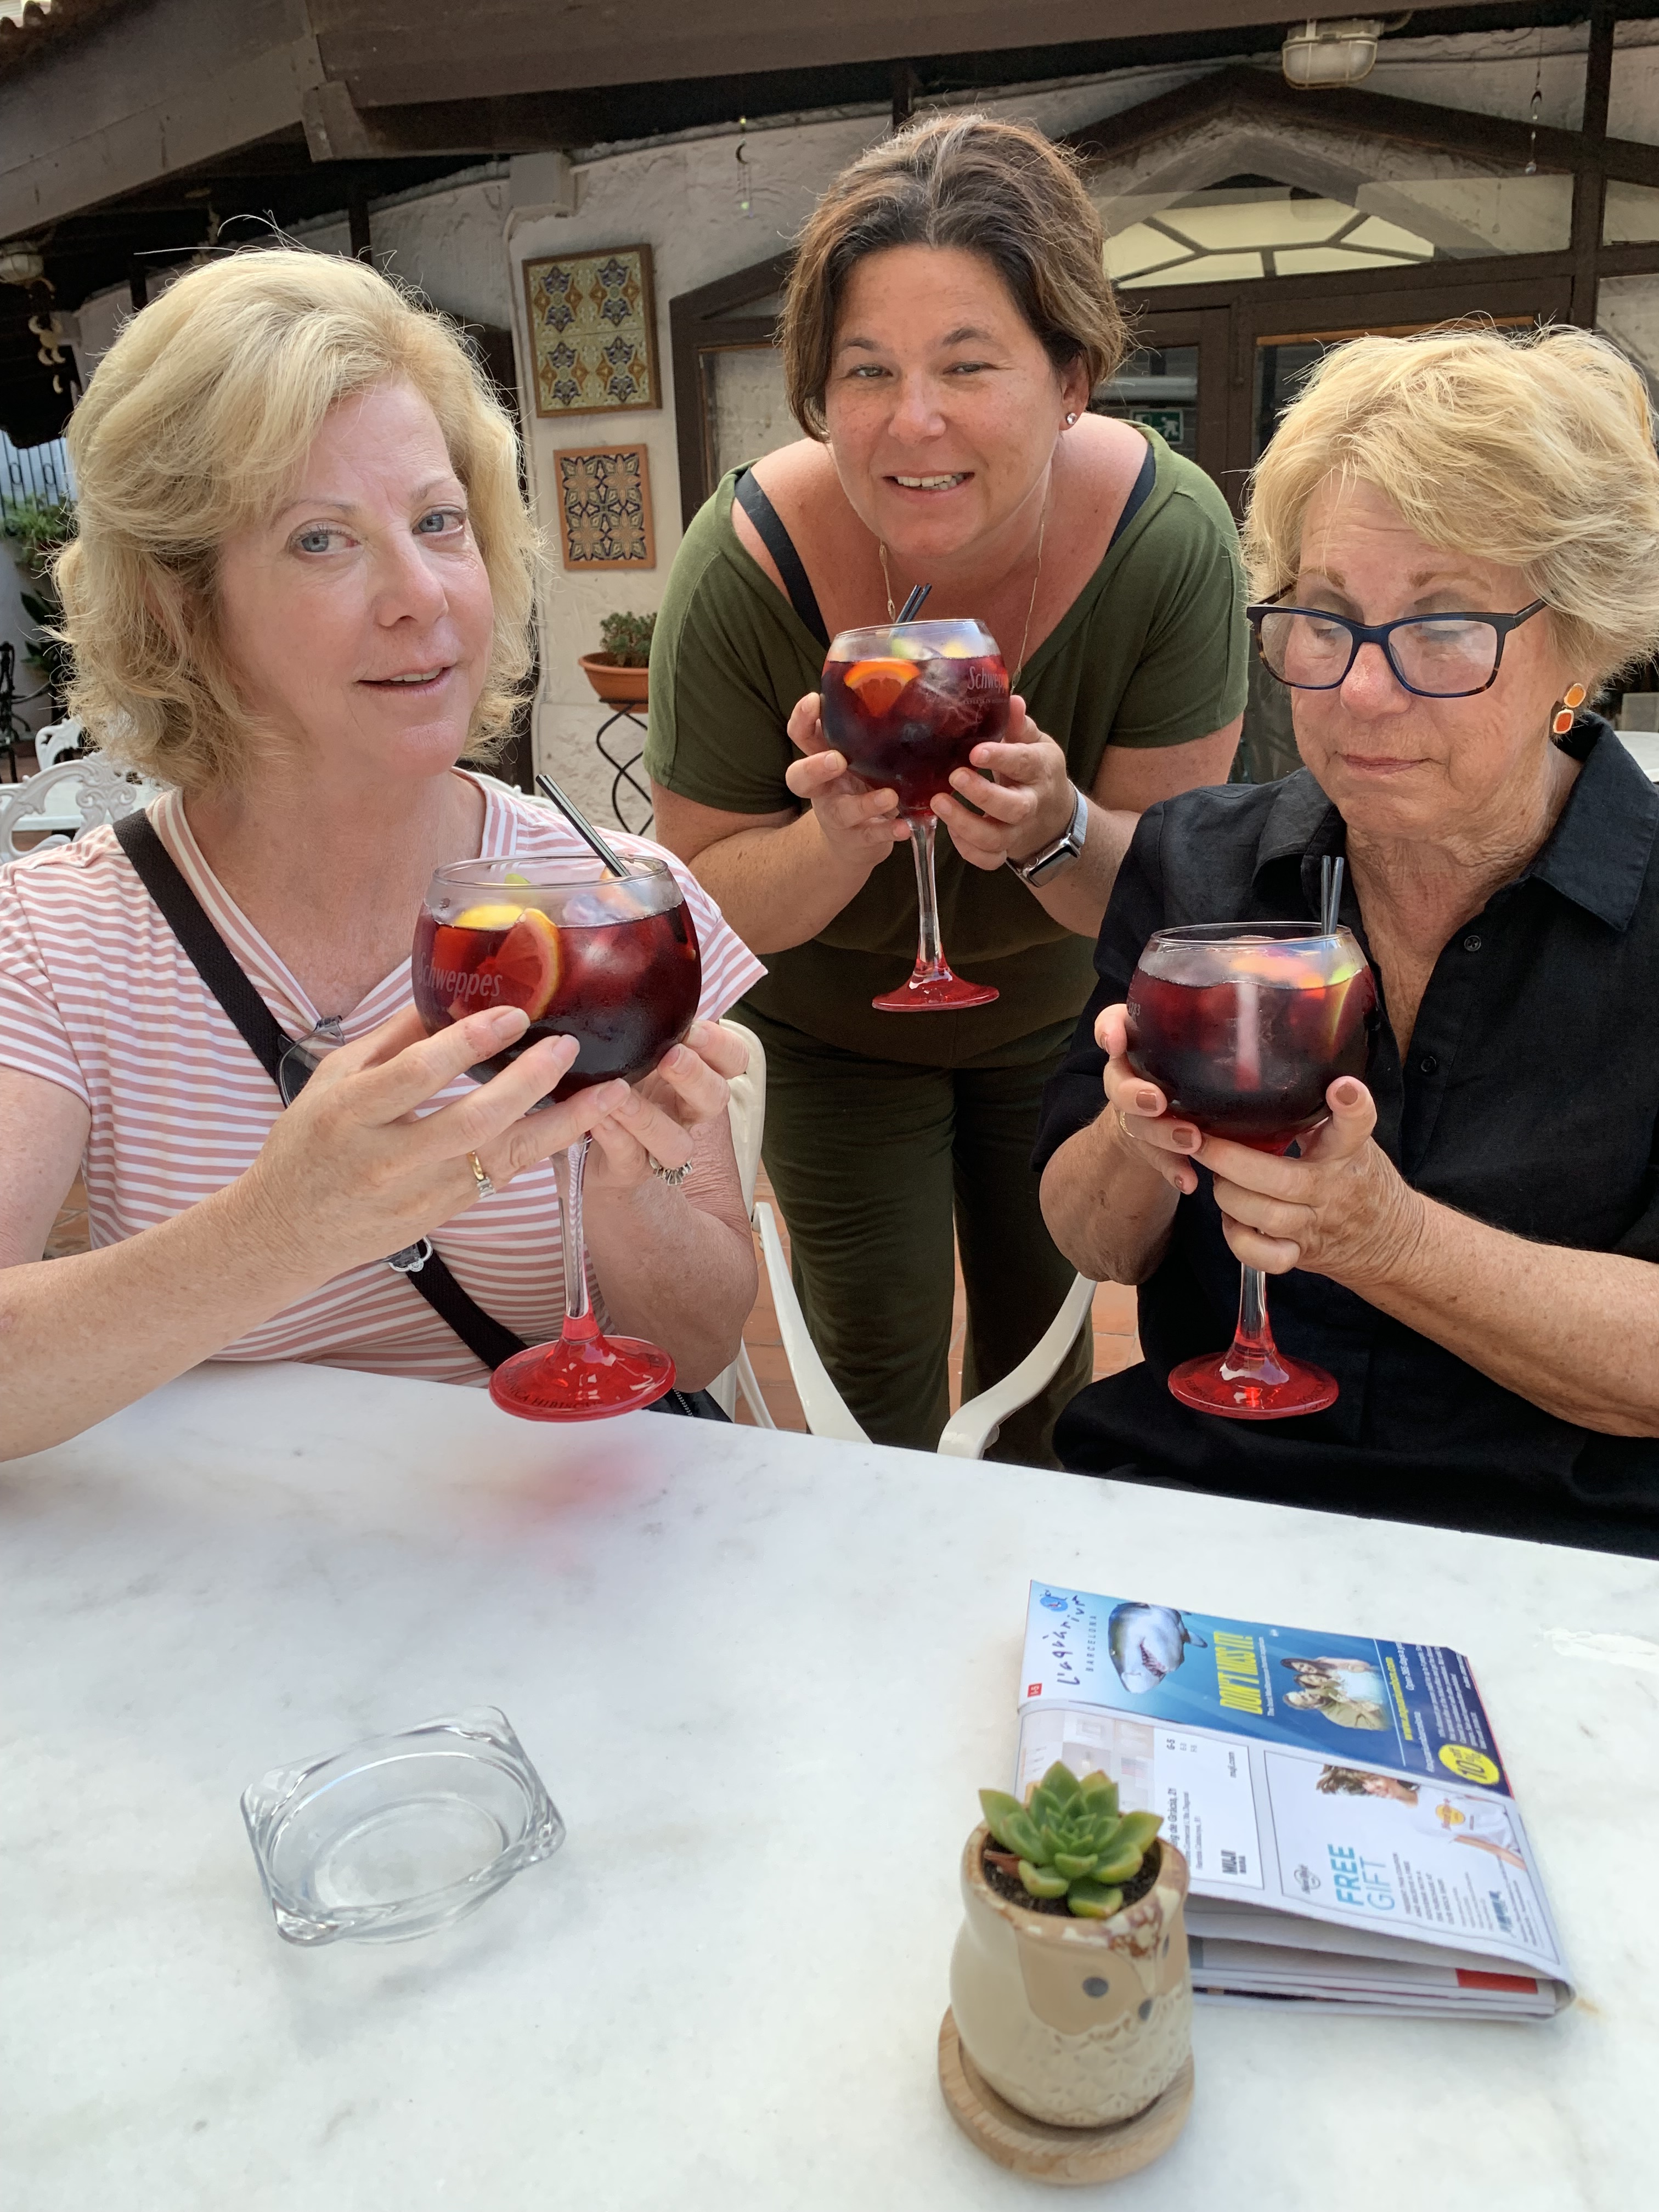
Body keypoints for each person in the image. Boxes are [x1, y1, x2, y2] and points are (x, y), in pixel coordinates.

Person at [0, 249, 764, 1463]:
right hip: (234, 1549)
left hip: (555, 1530)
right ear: (181, 607)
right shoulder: (52, 939)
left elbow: (706, 1343)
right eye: (322, 540)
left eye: (439, 522)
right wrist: (278, 1229)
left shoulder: (612, 907)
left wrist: (630, 1195)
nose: (421, 596)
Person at [647, 115, 1246, 1458]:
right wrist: (833, 841)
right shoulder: (745, 566)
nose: (913, 421)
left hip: (1065, 1021)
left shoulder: (1168, 544)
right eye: (868, 370)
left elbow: (1178, 898)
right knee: (875, 1363)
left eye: (968, 365)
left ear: (1072, 375)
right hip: (836, 1032)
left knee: (1044, 1369)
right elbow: (698, 903)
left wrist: (1055, 832)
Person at [1036, 321, 1659, 1554]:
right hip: (1209, 1507)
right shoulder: (1197, 869)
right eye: (1323, 618)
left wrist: (1388, 1241)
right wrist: (1135, 1136)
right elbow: (1088, 1238)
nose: (1361, 691)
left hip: (1550, 1556)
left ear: (1582, 640)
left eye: (1443, 624)